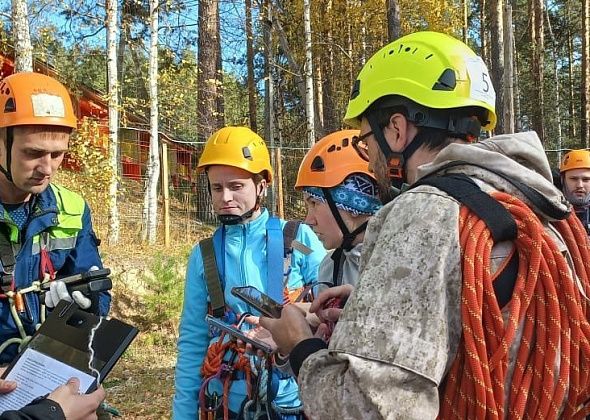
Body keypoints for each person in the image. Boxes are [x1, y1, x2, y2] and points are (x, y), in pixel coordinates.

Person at [260, 31, 590, 419]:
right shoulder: (539, 204)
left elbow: (369, 408)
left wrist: (300, 347)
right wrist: (374, 309)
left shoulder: (424, 212)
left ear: (396, 130)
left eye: (366, 141)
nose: (369, 158)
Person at [173, 126, 326, 419]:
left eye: (236, 186)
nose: (226, 197)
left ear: (261, 186)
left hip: (290, 398)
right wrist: (183, 414)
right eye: (217, 188)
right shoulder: (204, 256)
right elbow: (193, 338)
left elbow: (329, 301)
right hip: (227, 398)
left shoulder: (296, 239)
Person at [0, 72, 110, 417]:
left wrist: (89, 304)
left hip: (44, 373)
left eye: (57, 155)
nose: (47, 169)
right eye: (33, 153)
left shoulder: (71, 209)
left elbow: (95, 285)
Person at [294, 129, 381, 290]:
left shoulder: (395, 261)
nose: (308, 220)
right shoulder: (330, 266)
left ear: (357, 205)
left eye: (314, 203)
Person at [559, 149, 590, 234]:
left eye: (586, 179)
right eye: (573, 179)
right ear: (562, 180)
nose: (579, 185)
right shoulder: (550, 212)